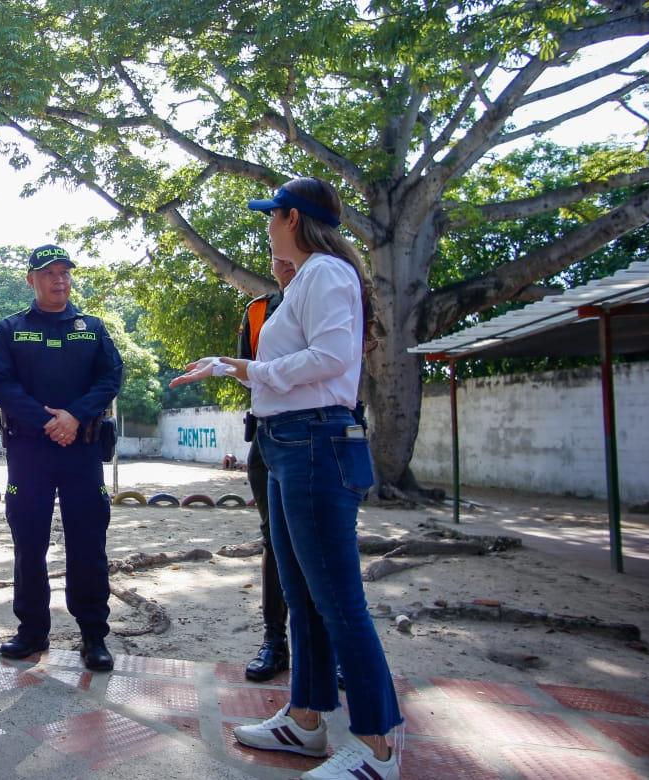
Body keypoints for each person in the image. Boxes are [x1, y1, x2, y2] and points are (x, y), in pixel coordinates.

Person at [171, 177, 401, 780]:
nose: (266, 225)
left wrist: (253, 368)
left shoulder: (326, 273)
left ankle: (379, 748)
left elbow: (330, 359)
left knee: (338, 601)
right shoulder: (305, 281)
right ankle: (304, 720)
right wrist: (233, 365)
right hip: (284, 443)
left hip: (314, 444)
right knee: (301, 594)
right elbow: (289, 364)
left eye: (271, 215)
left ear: (292, 219)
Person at [0, 244, 123, 672]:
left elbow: (110, 377)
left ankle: (93, 636)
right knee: (29, 543)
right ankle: (31, 632)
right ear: (31, 280)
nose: (59, 279)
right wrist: (49, 422)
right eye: (49, 273)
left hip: (82, 449)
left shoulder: (93, 328)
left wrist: (75, 416)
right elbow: (1, 385)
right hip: (30, 452)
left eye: (65, 272)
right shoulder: (11, 330)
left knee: (88, 543)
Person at [237, 254, 296, 682]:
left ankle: (330, 648)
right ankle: (275, 640)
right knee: (274, 540)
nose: (285, 265)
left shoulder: (334, 295)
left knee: (325, 544)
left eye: (293, 256)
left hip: (320, 436)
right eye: (277, 259)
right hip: (267, 438)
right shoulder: (258, 310)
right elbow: (247, 373)